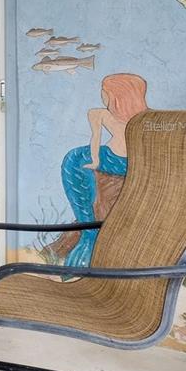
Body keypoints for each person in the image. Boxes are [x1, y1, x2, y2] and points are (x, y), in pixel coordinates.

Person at [60, 73, 148, 266]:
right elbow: (95, 139)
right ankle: (88, 229)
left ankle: (89, 231)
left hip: (124, 161)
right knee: (74, 157)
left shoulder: (146, 118)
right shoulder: (99, 114)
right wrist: (95, 160)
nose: (102, 94)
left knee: (74, 158)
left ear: (117, 96)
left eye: (105, 91)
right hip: (113, 159)